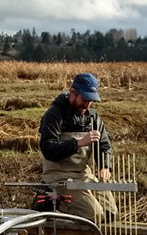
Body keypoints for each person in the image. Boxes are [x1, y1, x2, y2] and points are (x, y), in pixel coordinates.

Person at [39, 73, 118, 221]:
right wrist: (78, 143)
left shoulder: (93, 118)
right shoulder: (54, 115)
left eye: (91, 101)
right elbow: (48, 149)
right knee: (94, 215)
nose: (87, 105)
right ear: (73, 93)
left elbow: (104, 147)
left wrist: (105, 167)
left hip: (82, 174)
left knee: (110, 214)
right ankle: (51, 202)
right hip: (58, 174)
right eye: (84, 99)